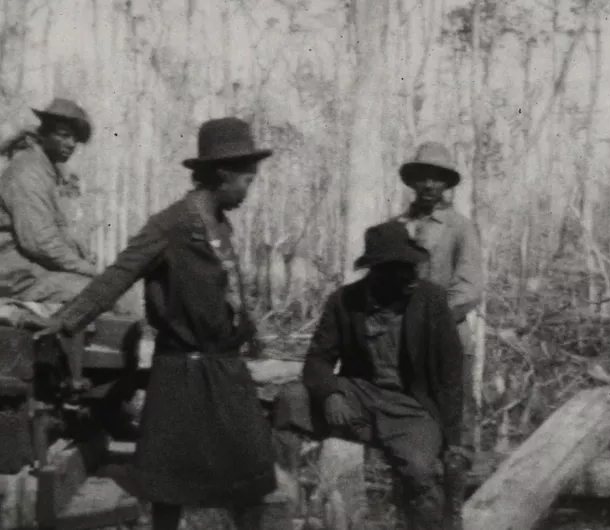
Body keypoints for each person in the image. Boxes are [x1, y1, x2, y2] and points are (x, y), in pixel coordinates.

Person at [33, 117, 288, 530]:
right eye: (247, 180)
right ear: (223, 175)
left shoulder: (221, 224)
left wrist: (249, 333)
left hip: (224, 370)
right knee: (170, 487)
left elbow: (228, 292)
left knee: (252, 475)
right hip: (181, 375)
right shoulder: (171, 225)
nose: (248, 190)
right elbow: (118, 275)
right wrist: (66, 321)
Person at [272, 220, 465, 530]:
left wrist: (454, 440)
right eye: (401, 269)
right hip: (358, 405)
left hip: (410, 410)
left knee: (420, 472)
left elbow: (451, 374)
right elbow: (317, 360)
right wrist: (331, 392)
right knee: (291, 399)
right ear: (377, 271)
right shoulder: (345, 301)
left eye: (412, 266)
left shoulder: (431, 301)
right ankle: (285, 507)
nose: (411, 274)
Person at [394, 141, 483, 529]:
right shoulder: (398, 227)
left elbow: (469, 288)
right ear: (412, 182)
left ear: (446, 184)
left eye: (438, 177)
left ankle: (454, 517)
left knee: (455, 435)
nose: (429, 184)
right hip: (403, 351)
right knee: (408, 436)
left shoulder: (460, 228)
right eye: (422, 176)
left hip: (448, 345)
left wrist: (428, 323)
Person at [0, 98, 98, 303]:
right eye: (64, 136)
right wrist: (88, 269)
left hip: (24, 270)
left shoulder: (45, 170)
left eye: (75, 139)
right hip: (13, 275)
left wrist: (79, 254)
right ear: (44, 135)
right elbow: (40, 242)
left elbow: (52, 231)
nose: (71, 144)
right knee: (95, 293)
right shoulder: (28, 172)